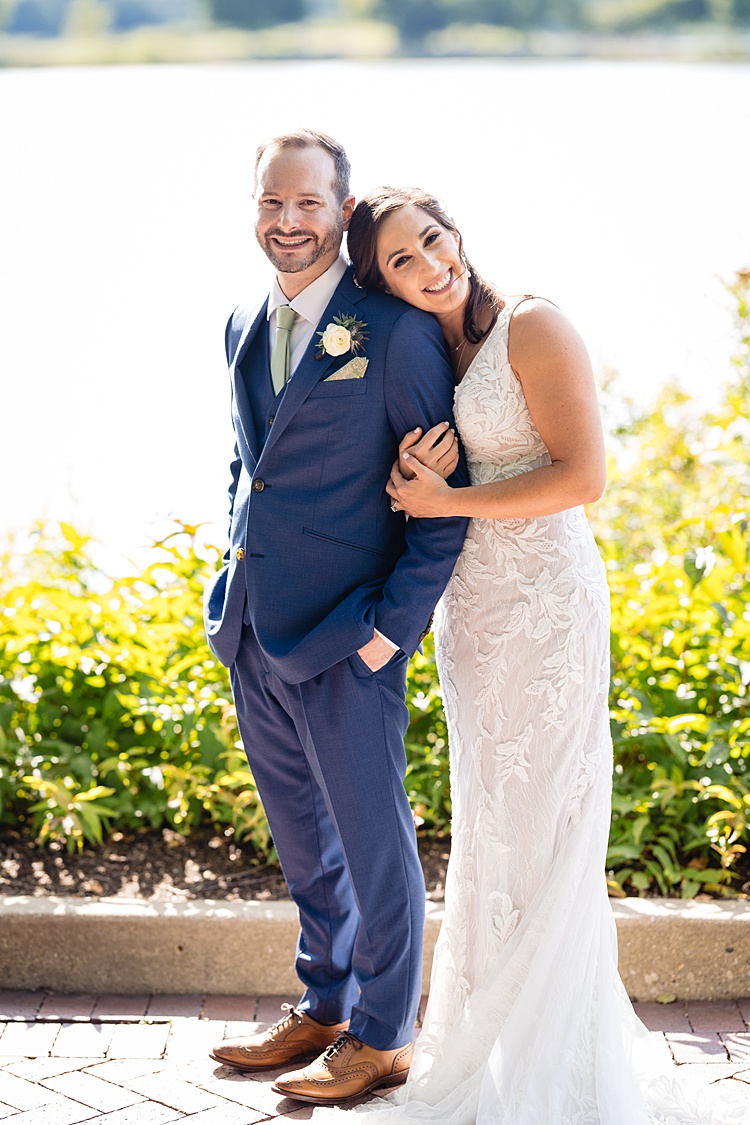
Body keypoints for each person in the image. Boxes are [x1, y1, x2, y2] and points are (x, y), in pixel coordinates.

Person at [325, 186, 749, 1124]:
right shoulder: (427, 350)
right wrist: (412, 482)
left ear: (456, 231)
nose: (432, 263)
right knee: (491, 829)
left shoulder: (533, 324)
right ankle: (493, 1052)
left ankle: (562, 1069)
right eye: (403, 260)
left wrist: (447, 501)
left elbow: (583, 477)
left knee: (548, 829)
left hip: (547, 608)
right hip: (473, 613)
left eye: (433, 238)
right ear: (382, 283)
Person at [203, 136, 468, 1106]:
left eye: (308, 202)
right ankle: (324, 1004)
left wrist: (389, 631)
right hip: (253, 624)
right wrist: (228, 574)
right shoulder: (244, 319)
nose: (288, 220)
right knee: (303, 839)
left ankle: (385, 1033)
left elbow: (445, 503)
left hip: (349, 634)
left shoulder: (393, 332)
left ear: (342, 211)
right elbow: (250, 463)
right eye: (272, 200)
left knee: (372, 839)